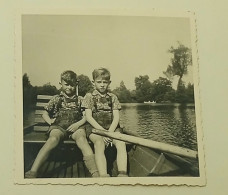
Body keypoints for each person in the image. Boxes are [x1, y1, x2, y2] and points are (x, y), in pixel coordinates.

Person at [25, 70, 99, 178]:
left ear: (76, 84)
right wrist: (50, 121)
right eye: (66, 84)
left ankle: (95, 172)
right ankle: (33, 171)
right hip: (58, 127)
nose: (69, 87)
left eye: (72, 85)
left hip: (76, 127)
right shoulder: (56, 99)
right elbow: (44, 113)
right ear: (61, 84)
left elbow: (86, 117)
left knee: (82, 140)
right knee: (53, 139)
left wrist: (77, 124)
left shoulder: (80, 100)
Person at [82, 68, 128, 177]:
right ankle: (103, 175)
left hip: (112, 128)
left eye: (105, 82)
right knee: (99, 143)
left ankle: (122, 173)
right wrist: (103, 133)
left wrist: (110, 133)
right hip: (95, 129)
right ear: (93, 82)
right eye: (99, 82)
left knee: (121, 143)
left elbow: (116, 118)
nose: (102, 85)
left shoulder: (113, 97)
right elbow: (88, 117)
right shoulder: (89, 97)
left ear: (109, 83)